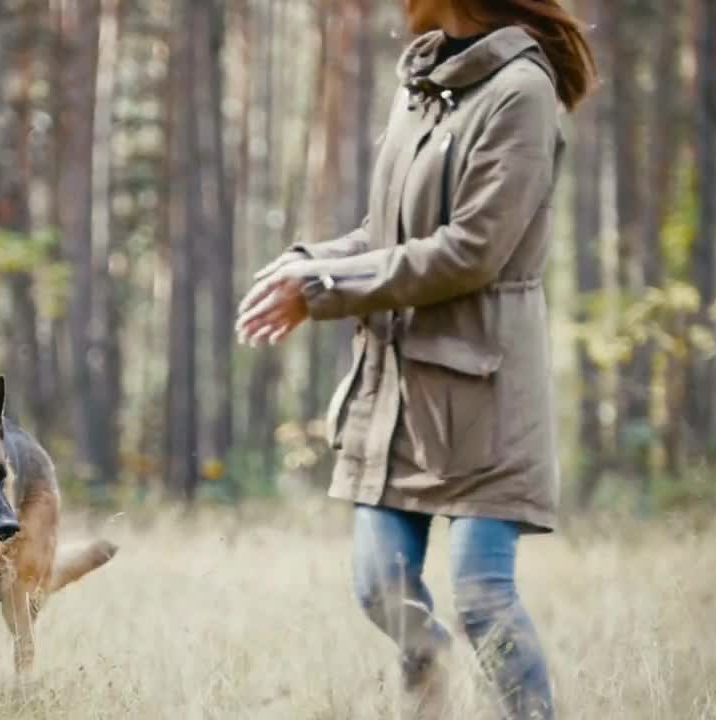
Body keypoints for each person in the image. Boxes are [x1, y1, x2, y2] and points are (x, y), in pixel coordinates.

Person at [235, 1, 596, 717]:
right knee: (380, 586)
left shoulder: (521, 90)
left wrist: (325, 290)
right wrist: (310, 263)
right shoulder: (422, 80)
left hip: (489, 387)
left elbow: (473, 251)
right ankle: (428, 700)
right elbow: (386, 229)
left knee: (483, 597)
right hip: (397, 391)